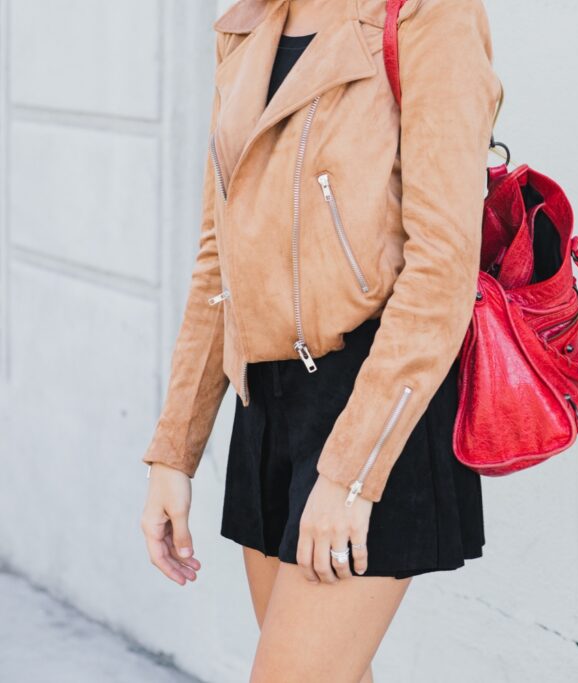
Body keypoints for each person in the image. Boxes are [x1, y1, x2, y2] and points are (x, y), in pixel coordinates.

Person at [138, 0, 502, 679]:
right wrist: (174, 452)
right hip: (266, 407)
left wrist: (352, 473)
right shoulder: (248, 23)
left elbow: (442, 265)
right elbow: (220, 257)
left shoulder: (429, 13)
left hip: (377, 398)